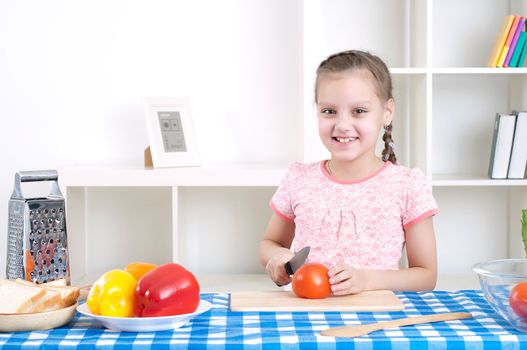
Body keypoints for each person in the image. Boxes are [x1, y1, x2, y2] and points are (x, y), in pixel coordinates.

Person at [259, 50, 438, 295]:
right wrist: (279, 258)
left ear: (386, 112)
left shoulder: (407, 185)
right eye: (329, 111)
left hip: (376, 317)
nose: (342, 125)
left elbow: (426, 276)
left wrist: (368, 280)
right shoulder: (299, 178)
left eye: (359, 111)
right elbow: (270, 243)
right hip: (306, 313)